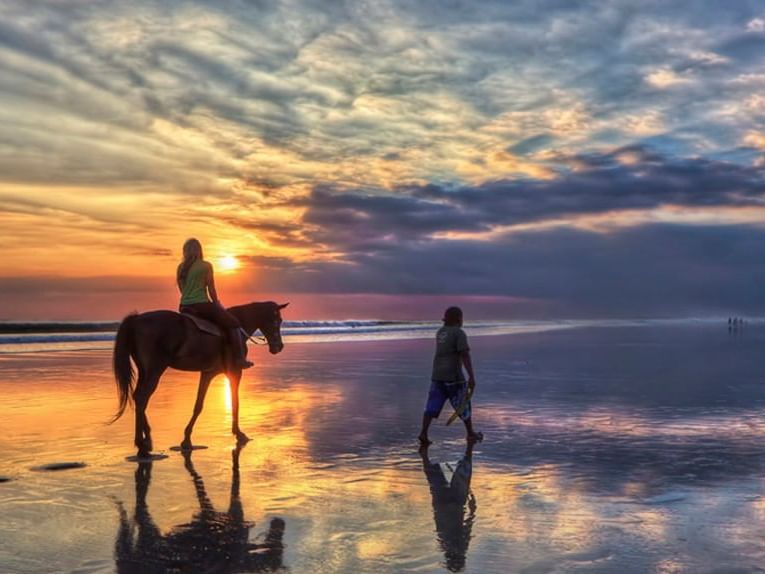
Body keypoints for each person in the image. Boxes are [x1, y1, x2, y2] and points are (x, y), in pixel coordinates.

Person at [176, 238, 252, 369]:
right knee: (234, 323)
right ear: (199, 250)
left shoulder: (181, 267)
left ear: (185, 252)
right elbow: (211, 288)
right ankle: (239, 359)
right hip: (201, 304)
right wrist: (216, 303)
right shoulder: (206, 265)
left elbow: (182, 289)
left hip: (184, 306)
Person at [418, 306, 483, 445]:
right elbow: (464, 354)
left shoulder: (440, 332)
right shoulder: (459, 333)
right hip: (454, 377)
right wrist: (471, 376)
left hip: (437, 375)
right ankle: (470, 433)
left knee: (432, 406)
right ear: (459, 319)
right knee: (463, 405)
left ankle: (423, 432)